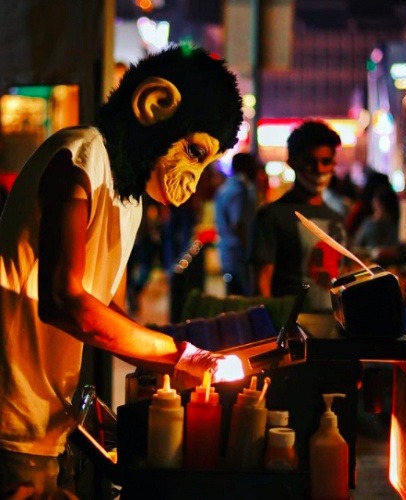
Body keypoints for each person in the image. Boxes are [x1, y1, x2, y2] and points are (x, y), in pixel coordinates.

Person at [0, 44, 244, 496]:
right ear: (154, 105)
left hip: (48, 420)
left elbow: (104, 307)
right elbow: (64, 301)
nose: (193, 179)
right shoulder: (80, 156)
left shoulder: (125, 194)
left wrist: (168, 366)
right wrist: (181, 354)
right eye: (193, 151)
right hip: (13, 417)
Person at [249, 119, 346, 312]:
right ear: (292, 162)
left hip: (333, 328)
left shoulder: (337, 218)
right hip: (291, 329)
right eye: (310, 161)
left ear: (334, 164)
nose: (319, 170)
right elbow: (262, 281)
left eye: (325, 161)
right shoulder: (271, 216)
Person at [214, 152, 258, 296]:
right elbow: (239, 224)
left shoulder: (224, 188)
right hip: (239, 254)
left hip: (227, 252)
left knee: (232, 296)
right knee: (244, 299)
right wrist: (251, 250)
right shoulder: (239, 190)